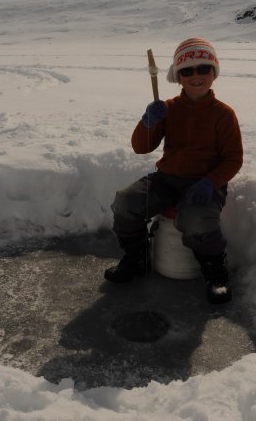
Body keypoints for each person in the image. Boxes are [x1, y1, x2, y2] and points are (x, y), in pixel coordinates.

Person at [104, 37, 243, 304]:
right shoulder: (166, 109)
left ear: (214, 72)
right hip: (166, 180)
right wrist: (147, 122)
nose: (196, 76)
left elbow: (233, 159)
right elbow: (141, 147)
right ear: (177, 76)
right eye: (187, 70)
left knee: (197, 221)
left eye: (203, 68)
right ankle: (137, 259)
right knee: (126, 202)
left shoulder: (224, 114)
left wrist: (210, 182)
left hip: (204, 184)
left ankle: (216, 273)